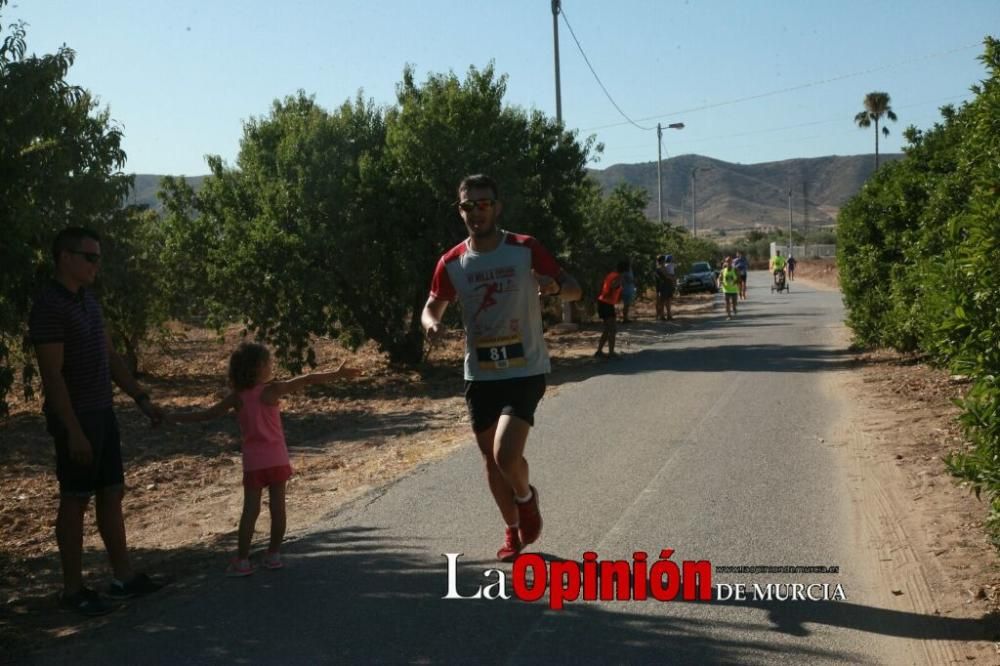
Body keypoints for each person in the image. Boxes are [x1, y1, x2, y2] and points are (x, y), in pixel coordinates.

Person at [421, 174, 582, 562]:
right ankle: (512, 531)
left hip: (524, 369)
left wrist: (554, 287)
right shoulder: (452, 262)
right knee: (492, 464)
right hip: (480, 374)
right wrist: (432, 325)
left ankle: (527, 500)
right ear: (460, 211)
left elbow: (575, 287)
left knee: (506, 455)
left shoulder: (525, 248)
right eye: (468, 206)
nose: (476, 212)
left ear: (497, 207)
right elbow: (431, 306)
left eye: (483, 204)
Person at [29, 227, 166, 616]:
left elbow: (110, 357)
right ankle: (73, 590)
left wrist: (140, 397)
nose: (96, 265)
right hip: (75, 418)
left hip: (102, 413)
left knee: (111, 492)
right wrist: (72, 430)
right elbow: (52, 376)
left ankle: (123, 578)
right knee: (74, 500)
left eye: (98, 257)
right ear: (65, 258)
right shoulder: (49, 306)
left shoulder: (88, 300)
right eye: (89, 257)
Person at [169, 344, 360, 575]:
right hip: (277, 459)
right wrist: (337, 375)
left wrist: (170, 416)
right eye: (269, 363)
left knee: (250, 511)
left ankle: (242, 561)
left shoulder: (237, 398)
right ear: (259, 367)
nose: (271, 366)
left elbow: (205, 414)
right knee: (278, 510)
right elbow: (307, 379)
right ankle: (274, 555)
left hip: (254, 463)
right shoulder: (272, 391)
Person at [595, 260, 626, 358]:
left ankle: (599, 351)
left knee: (607, 329)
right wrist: (619, 281)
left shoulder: (611, 274)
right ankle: (611, 353)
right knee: (612, 329)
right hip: (606, 303)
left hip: (604, 302)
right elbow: (613, 286)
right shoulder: (617, 276)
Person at [654, 254, 676, 321]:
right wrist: (673, 278)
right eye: (663, 260)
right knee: (663, 301)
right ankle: (662, 316)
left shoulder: (663, 267)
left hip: (667, 285)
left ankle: (668, 315)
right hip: (663, 286)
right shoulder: (660, 268)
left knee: (667, 301)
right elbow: (666, 276)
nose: (664, 261)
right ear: (661, 260)